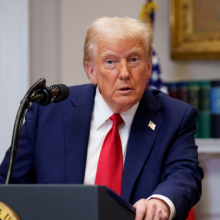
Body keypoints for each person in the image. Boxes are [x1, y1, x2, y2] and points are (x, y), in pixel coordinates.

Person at [0, 17, 203, 220]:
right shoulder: (47, 114)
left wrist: (161, 202)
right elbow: (8, 185)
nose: (124, 73)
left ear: (149, 67)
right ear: (91, 71)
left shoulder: (175, 117)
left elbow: (184, 174)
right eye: (110, 61)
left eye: (134, 59)